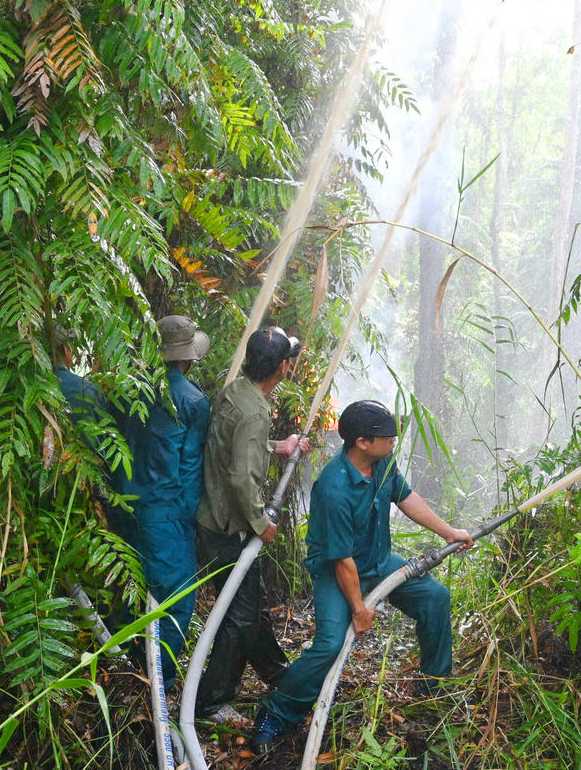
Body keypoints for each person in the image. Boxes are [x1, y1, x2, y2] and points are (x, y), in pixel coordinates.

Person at [252, 399, 474, 748]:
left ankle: (434, 690)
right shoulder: (334, 488)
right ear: (362, 443)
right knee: (329, 644)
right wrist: (358, 609)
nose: (394, 440)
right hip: (337, 571)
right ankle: (277, 713)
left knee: (435, 598)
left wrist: (449, 532)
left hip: (378, 560)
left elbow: (406, 497)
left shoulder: (382, 461)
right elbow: (342, 561)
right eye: (387, 436)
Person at [54, 315, 211, 690]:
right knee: (176, 602)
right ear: (188, 358)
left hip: (122, 507)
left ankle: (129, 673)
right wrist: (190, 521)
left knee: (129, 588)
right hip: (167, 514)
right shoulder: (193, 401)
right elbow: (190, 470)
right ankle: (161, 681)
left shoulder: (124, 391)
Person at [194, 326, 312, 727]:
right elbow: (243, 480)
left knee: (247, 605)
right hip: (230, 527)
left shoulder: (237, 391)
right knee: (238, 616)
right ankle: (210, 704)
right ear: (281, 367)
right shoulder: (255, 411)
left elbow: (235, 446)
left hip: (213, 517)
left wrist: (278, 447)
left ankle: (278, 675)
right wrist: (262, 523)